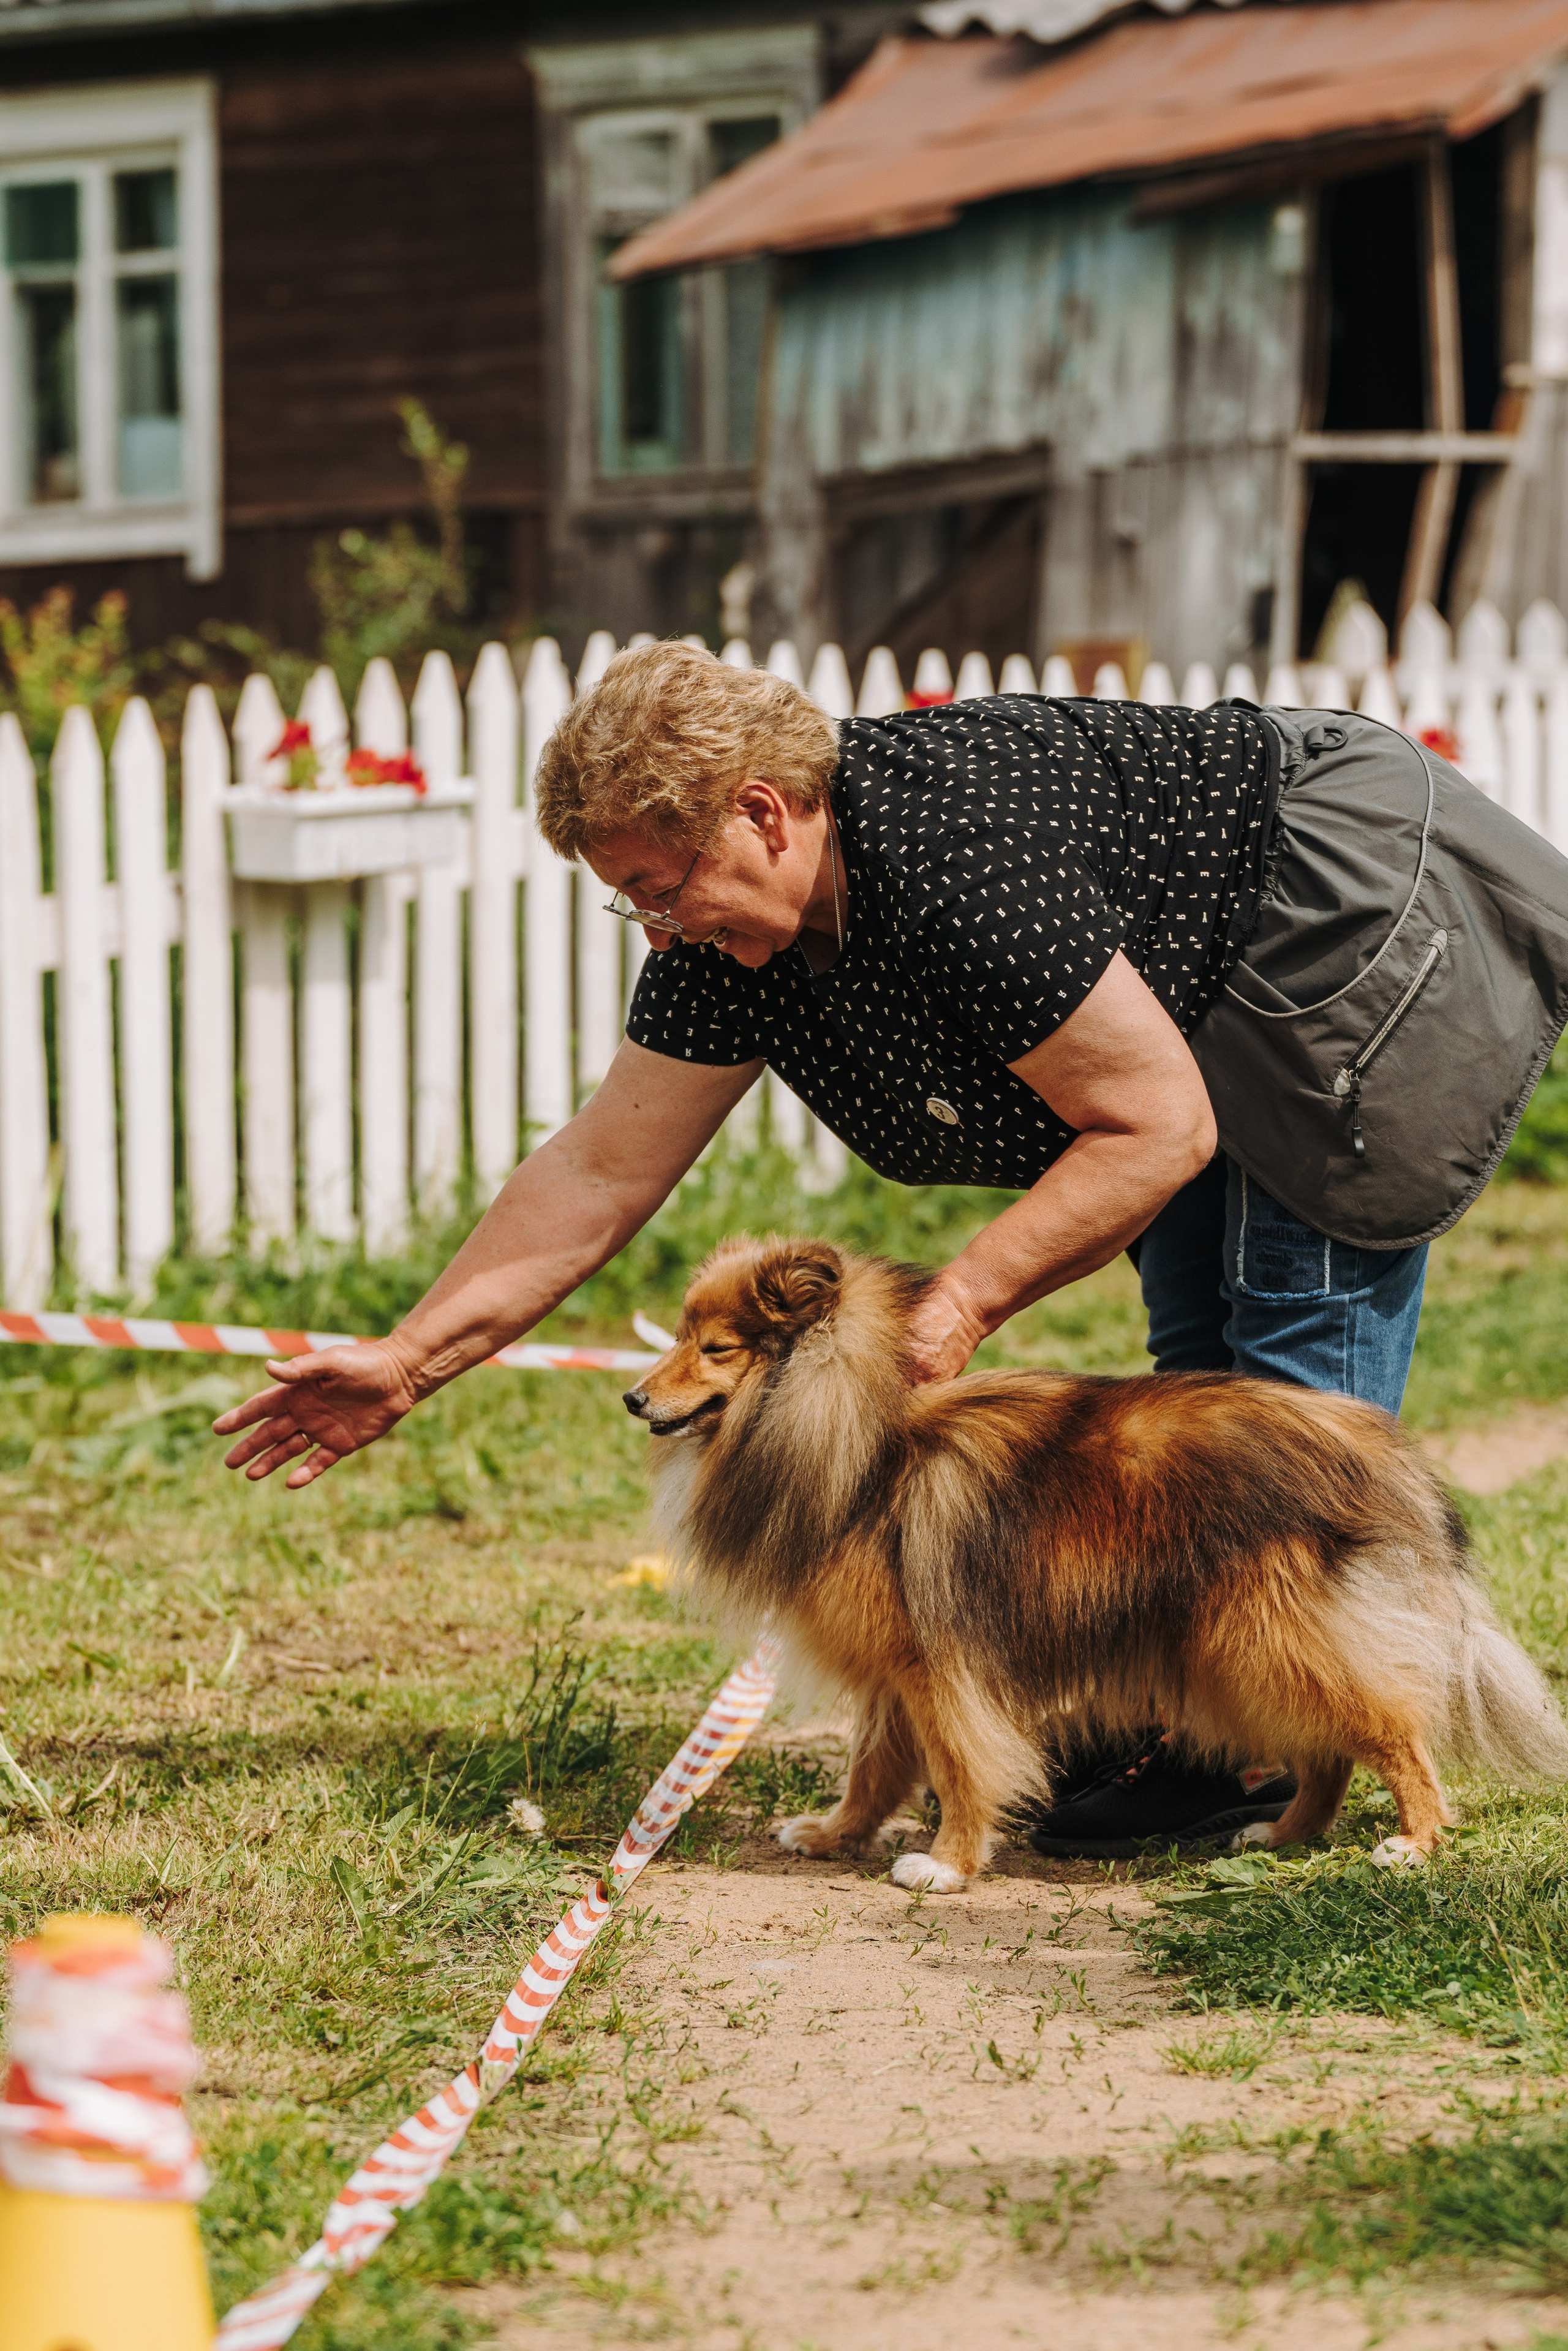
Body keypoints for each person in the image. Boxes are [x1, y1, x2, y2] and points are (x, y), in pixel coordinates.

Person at [213, 641, 1568, 1858]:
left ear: (760, 809)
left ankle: (1295, 1740)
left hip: (1333, 915)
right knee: (1188, 1366)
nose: (658, 924)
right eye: (628, 902)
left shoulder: (946, 858)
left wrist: (959, 1303)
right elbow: (599, 1167)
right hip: (1177, 994)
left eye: (659, 885)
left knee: (1272, 1381)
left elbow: (1151, 1129)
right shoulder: (722, 947)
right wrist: (407, 1358)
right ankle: (1194, 1719)